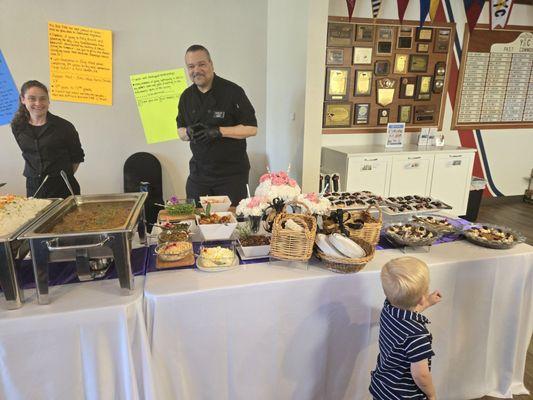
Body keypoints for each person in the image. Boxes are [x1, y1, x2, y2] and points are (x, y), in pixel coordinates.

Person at [176, 44, 257, 206]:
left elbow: (252, 129)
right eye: (191, 66)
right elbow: (180, 131)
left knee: (232, 223)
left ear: (211, 64)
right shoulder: (186, 96)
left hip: (231, 175)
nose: (196, 70)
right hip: (199, 175)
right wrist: (189, 132)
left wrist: (219, 131)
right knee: (197, 220)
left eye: (201, 64)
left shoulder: (233, 92)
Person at [369, 256, 442, 400]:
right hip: (404, 395)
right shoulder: (417, 336)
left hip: (383, 388)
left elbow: (406, 313)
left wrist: (426, 303)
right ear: (421, 297)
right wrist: (432, 394)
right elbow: (421, 374)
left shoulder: (388, 308)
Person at [11, 80, 85, 199]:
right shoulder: (17, 126)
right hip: (33, 186)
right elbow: (28, 154)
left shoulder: (65, 127)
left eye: (43, 98)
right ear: (23, 99)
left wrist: (62, 176)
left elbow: (77, 157)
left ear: (48, 100)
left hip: (62, 186)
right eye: (32, 98)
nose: (38, 103)